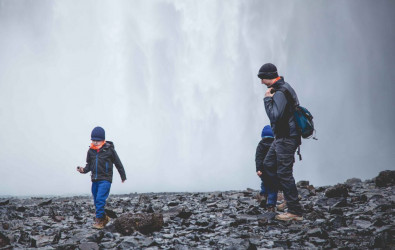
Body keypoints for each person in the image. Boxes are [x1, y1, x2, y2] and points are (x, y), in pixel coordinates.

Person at [257, 63, 304, 221]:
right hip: (281, 137)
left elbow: (275, 116)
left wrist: (267, 100)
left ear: (269, 76)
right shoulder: (282, 88)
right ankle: (287, 199)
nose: (261, 82)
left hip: (286, 137)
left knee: (284, 173)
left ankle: (295, 212)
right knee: (269, 164)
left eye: (262, 78)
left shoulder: (280, 92)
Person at [77, 126, 127, 229]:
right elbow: (89, 165)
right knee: (96, 201)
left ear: (103, 140)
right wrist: (83, 170)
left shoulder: (110, 150)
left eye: (97, 140)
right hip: (94, 180)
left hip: (105, 179)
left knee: (100, 199)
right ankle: (104, 218)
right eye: (93, 140)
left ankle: (99, 221)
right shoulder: (90, 151)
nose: (95, 142)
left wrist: (123, 176)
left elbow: (118, 163)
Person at [255, 125, 276, 211]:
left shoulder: (260, 144)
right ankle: (271, 205)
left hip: (263, 170)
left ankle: (263, 195)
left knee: (264, 183)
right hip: (273, 170)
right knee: (273, 187)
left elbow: (258, 158)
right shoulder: (275, 144)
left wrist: (258, 169)